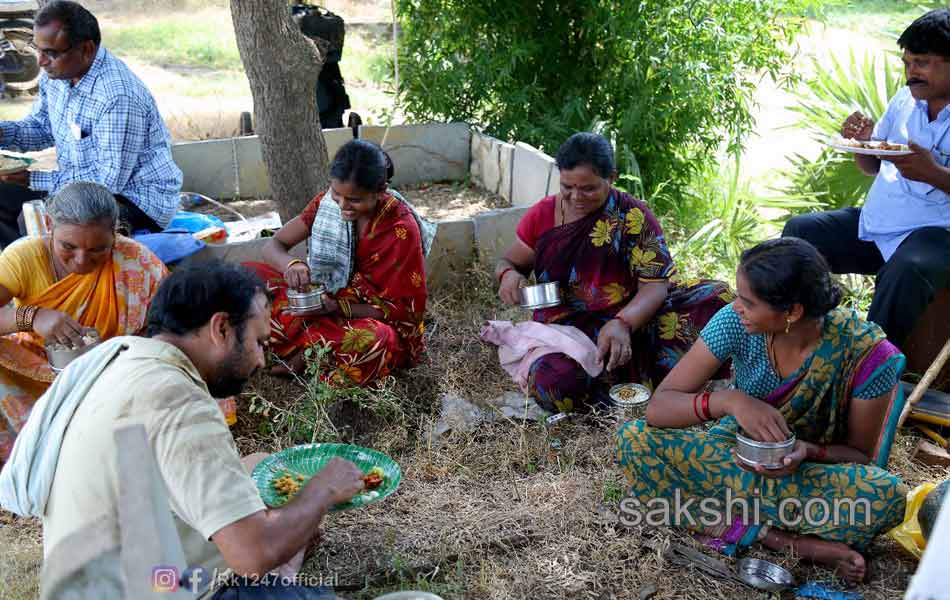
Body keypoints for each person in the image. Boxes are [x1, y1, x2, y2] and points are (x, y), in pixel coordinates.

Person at [10, 261, 365, 598]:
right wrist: (323, 489)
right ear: (221, 328)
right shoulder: (176, 399)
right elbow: (253, 554)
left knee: (260, 466)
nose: (261, 360)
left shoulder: (122, 357)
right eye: (258, 342)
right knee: (275, 541)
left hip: (87, 580)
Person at [616, 238, 908, 583]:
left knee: (885, 495)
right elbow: (659, 408)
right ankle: (794, 543)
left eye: (749, 302)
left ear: (792, 312)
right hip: (736, 455)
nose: (736, 306)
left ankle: (713, 516)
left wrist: (807, 452)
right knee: (634, 440)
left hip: (807, 475)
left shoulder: (867, 355)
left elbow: (861, 457)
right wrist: (730, 401)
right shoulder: (734, 323)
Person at [494, 132, 732, 413]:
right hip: (568, 331)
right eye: (567, 187)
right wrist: (508, 275)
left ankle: (656, 380)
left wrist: (623, 322)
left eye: (589, 189)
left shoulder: (633, 216)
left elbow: (655, 286)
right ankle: (630, 383)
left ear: (612, 178)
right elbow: (508, 261)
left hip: (636, 319)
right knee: (558, 383)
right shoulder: (544, 214)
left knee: (720, 304)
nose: (576, 198)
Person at [783, 8, 950, 348]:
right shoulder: (907, 98)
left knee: (907, 269)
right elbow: (872, 166)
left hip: (938, 234)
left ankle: (870, 368)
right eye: (906, 63)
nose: (910, 73)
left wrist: (933, 173)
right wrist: (863, 143)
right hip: (881, 224)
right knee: (802, 231)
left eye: (922, 62)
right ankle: (795, 341)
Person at [0, 181, 166, 464]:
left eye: (98, 250)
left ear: (115, 233)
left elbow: (173, 323)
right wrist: (33, 317)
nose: (81, 260)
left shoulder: (136, 261)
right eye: (68, 246)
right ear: (49, 224)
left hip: (114, 373)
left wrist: (125, 354)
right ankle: (30, 452)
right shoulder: (25, 257)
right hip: (40, 372)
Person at [246, 139, 432, 385]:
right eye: (337, 194)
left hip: (366, 317)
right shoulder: (326, 205)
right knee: (246, 277)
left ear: (380, 191)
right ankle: (312, 349)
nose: (343, 206)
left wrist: (337, 308)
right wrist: (292, 266)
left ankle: (307, 354)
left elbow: (402, 312)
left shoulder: (400, 228)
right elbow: (273, 246)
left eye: (355, 200)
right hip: (322, 302)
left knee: (375, 340)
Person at [0, 1, 182, 246]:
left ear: (86, 49)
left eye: (51, 53)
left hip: (133, 199)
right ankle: (23, 273)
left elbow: (107, 182)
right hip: (77, 188)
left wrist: (33, 180)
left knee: (35, 218)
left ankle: (48, 277)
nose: (41, 61)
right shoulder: (57, 76)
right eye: (39, 50)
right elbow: (42, 127)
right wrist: (4, 133)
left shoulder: (117, 96)